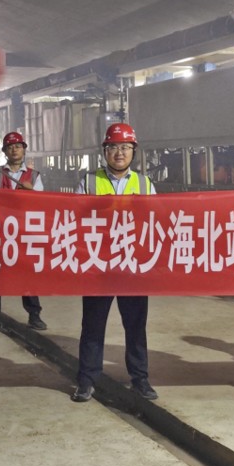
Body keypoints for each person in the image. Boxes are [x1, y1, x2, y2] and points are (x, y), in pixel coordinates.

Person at [71, 123, 158, 403]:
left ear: (134, 151)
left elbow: (156, 222)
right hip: (99, 266)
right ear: (104, 151)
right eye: (113, 147)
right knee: (93, 326)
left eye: (125, 147)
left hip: (132, 266)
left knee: (135, 326)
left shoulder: (145, 184)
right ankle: (86, 381)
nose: (119, 153)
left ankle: (140, 379)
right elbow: (75, 219)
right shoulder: (88, 182)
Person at [0, 131, 47, 333]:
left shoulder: (34, 176)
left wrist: (31, 193)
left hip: (25, 232)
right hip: (1, 230)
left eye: (18, 146)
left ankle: (34, 315)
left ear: (24, 150)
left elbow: (42, 203)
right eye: (10, 147)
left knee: (28, 275)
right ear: (5, 152)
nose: (15, 149)